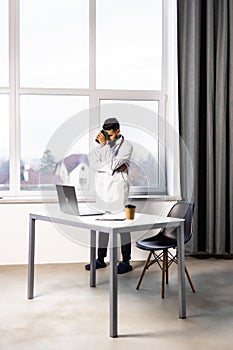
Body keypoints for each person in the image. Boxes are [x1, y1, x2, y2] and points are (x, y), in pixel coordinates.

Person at [85, 117, 133, 274]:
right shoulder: (102, 146)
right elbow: (93, 165)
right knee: (103, 225)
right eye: (105, 135)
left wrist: (106, 155)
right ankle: (100, 259)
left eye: (110, 135)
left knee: (124, 226)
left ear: (118, 131)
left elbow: (111, 164)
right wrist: (111, 165)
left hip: (119, 191)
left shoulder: (126, 146)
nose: (106, 138)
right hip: (104, 190)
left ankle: (126, 261)